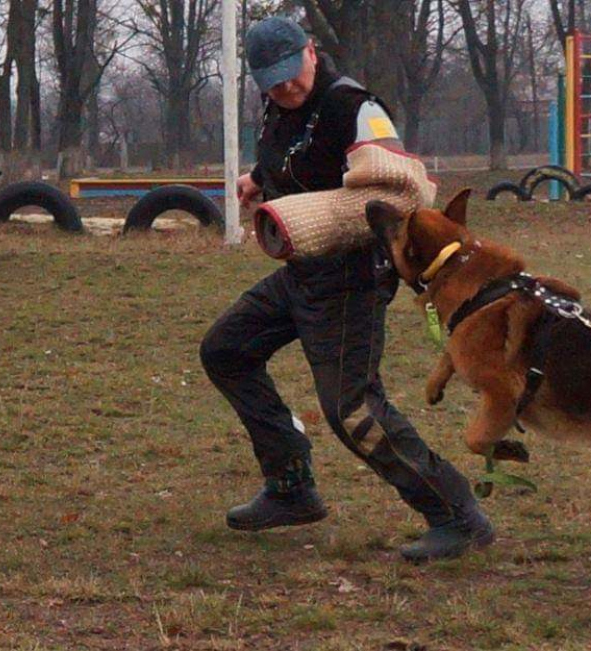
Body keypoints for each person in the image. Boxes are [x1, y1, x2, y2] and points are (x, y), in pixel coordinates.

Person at [199, 16, 493, 562]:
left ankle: (455, 513)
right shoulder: (279, 106)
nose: (286, 86)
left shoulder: (354, 107)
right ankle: (290, 486)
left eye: (292, 72)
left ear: (312, 52)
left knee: (352, 409)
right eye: (272, 81)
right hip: (303, 273)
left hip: (352, 279)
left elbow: (396, 186)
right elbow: (299, 156)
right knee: (226, 351)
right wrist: (260, 179)